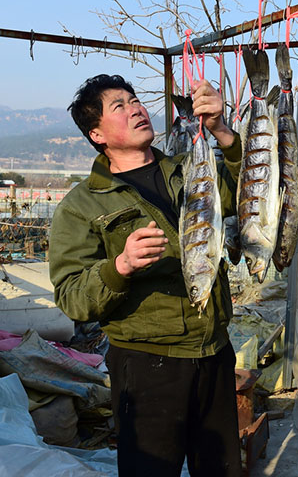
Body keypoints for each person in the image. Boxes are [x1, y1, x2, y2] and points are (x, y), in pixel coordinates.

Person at [49, 74, 242, 477]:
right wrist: (119, 267)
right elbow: (71, 297)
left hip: (214, 352)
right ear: (97, 133)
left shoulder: (188, 169)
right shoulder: (80, 205)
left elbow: (247, 197)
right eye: (119, 105)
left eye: (135, 99)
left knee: (221, 469)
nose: (136, 107)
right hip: (147, 365)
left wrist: (221, 131)